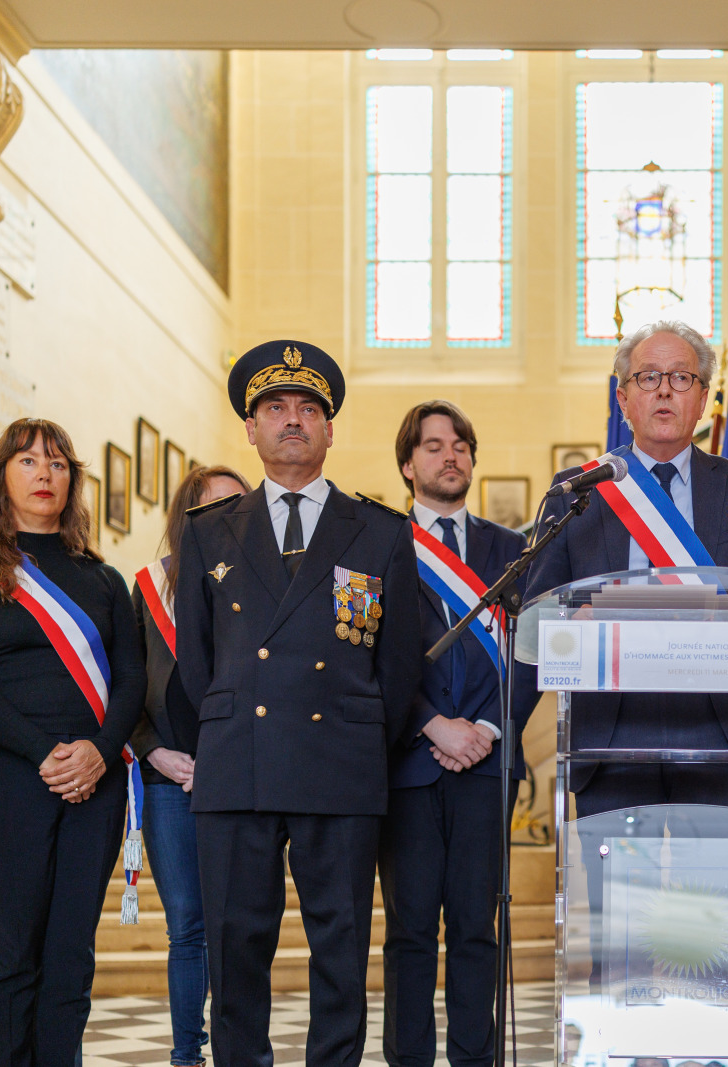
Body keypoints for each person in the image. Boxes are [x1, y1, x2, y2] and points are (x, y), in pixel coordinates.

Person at [174, 340, 423, 1067]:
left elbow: (398, 664)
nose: (292, 420)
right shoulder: (208, 529)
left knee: (340, 950)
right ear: (251, 429)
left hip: (339, 761)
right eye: (276, 408)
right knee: (236, 948)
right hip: (238, 763)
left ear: (330, 430)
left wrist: (360, 734)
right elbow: (196, 658)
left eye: (309, 409)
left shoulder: (380, 530)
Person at [0, 417, 146, 1067]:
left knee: (69, 958)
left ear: (71, 480)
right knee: (7, 957)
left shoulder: (103, 581)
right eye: (27, 461)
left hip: (94, 783)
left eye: (57, 463)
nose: (44, 474)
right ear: (2, 476)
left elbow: (132, 680)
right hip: (5, 778)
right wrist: (42, 751)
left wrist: (99, 751)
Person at [521, 319, 728, 815]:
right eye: (648, 377)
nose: (664, 390)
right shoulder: (578, 492)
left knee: (715, 871)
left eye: (681, 377)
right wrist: (571, 622)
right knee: (616, 873)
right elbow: (537, 616)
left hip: (720, 733)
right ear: (623, 400)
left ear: (704, 398)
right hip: (611, 735)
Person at [380, 400, 530, 1067]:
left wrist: (489, 728)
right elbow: (369, 652)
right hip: (407, 765)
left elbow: (534, 652)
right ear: (408, 464)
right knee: (410, 932)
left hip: (487, 766)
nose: (451, 456)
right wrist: (433, 724)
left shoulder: (512, 550)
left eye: (461, 445)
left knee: (476, 929)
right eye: (434, 445)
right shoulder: (380, 544)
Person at [129, 463, 251, 1067]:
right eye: (214, 508)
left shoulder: (261, 585)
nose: (228, 519)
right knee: (187, 926)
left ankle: (238, 1051)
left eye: (239, 506)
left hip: (240, 776)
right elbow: (125, 685)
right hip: (167, 778)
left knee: (240, 925)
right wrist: (153, 749)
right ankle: (187, 1055)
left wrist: (224, 760)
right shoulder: (150, 586)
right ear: (187, 517)